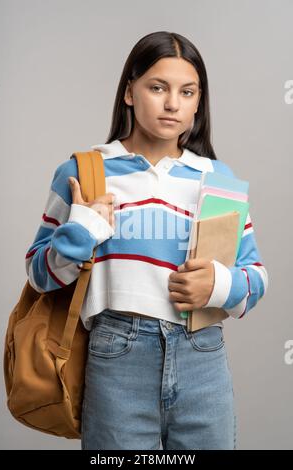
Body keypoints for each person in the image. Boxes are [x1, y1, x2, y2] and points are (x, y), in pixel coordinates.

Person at [25, 31, 268, 450]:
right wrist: (81, 231)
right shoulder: (85, 171)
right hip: (116, 357)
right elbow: (39, 275)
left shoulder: (217, 178)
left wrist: (217, 285)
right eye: (157, 88)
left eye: (187, 92)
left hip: (202, 359)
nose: (173, 103)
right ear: (129, 93)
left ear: (198, 101)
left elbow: (256, 278)